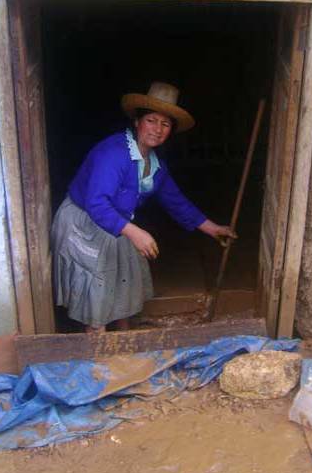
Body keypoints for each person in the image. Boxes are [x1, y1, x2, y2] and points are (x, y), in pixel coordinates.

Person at [51, 82, 236, 332]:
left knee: (123, 281)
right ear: (137, 122)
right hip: (84, 223)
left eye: (165, 124)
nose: (157, 129)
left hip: (115, 224)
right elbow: (96, 203)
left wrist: (213, 229)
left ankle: (125, 338)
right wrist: (135, 232)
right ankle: (97, 345)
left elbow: (176, 201)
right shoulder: (114, 153)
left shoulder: (154, 164)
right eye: (151, 120)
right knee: (97, 291)